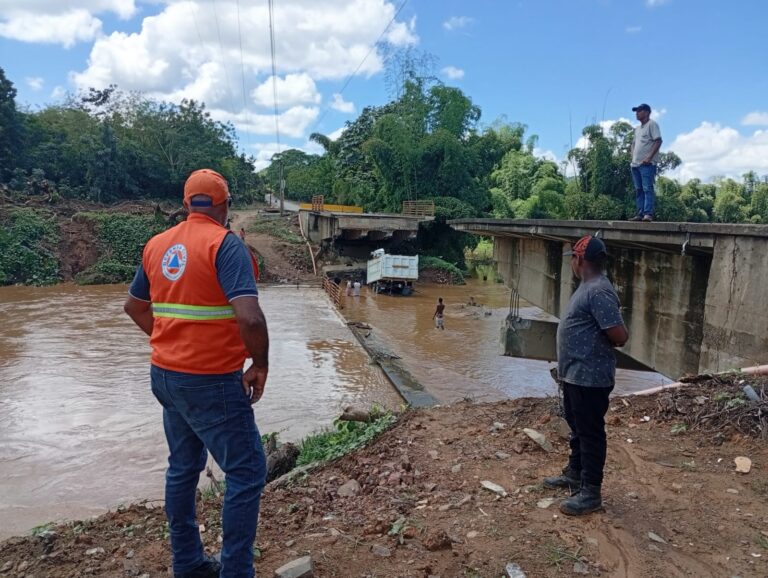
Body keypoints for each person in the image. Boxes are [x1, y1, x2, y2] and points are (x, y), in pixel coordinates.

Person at [123, 168, 269, 578]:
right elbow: (251, 319)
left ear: (187, 204)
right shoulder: (226, 245)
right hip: (210, 381)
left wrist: (170, 340)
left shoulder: (156, 245)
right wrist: (260, 364)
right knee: (246, 470)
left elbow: (134, 307)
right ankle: (236, 572)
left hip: (166, 377)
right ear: (224, 206)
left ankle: (186, 564)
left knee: (183, 467)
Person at [544, 235, 628, 516]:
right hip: (576, 375)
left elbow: (619, 336)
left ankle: (591, 491)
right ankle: (575, 473)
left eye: (572, 258)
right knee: (577, 426)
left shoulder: (598, 291)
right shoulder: (588, 287)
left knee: (590, 432)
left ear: (579, 260)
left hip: (590, 377)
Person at [629, 103, 663, 222]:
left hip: (647, 164)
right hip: (635, 164)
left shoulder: (652, 124)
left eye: (639, 111)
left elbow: (658, 141)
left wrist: (648, 158)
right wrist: (632, 155)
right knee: (638, 189)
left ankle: (648, 214)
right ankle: (640, 213)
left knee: (647, 188)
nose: (637, 113)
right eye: (636, 111)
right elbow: (633, 144)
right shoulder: (637, 129)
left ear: (647, 112)